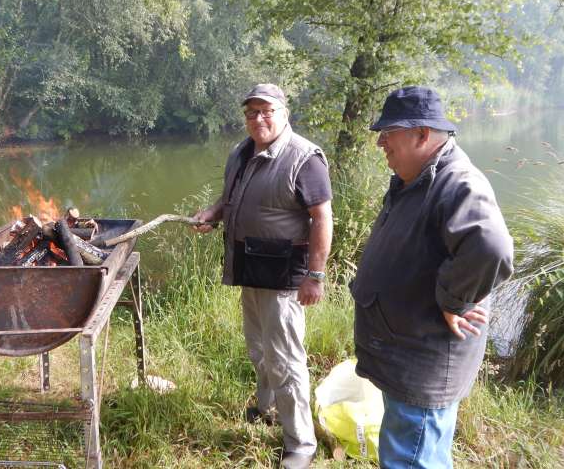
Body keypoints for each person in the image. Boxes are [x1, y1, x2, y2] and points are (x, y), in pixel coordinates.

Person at [350, 86, 514, 469]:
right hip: (405, 354)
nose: (380, 143)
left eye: (388, 133)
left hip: (422, 361)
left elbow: (491, 247)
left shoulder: (457, 183)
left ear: (422, 134)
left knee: (413, 457)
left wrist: (454, 299)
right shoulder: (420, 176)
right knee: (416, 451)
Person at [193, 83, 333, 469]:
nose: (258, 119)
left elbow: (322, 218)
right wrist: (213, 213)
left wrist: (315, 275)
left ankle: (300, 443)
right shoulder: (241, 151)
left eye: (266, 111)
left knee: (287, 360)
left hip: (284, 277)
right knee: (258, 349)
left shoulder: (305, 158)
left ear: (284, 112)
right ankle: (266, 407)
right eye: (251, 112)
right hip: (250, 270)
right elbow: (231, 197)